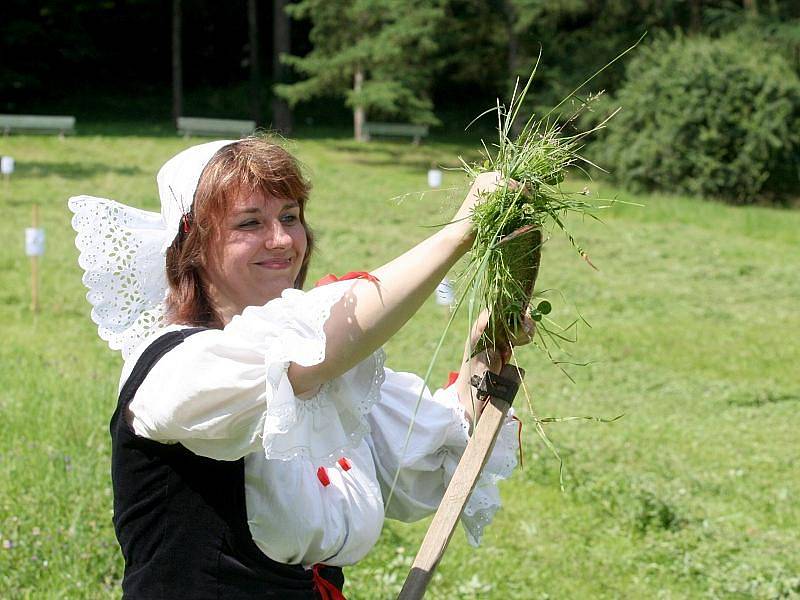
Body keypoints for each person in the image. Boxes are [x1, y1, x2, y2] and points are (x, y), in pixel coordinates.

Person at [69, 137, 527, 599]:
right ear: (194, 245)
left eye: (290, 217)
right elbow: (314, 351)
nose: (282, 240)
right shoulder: (179, 371)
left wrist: (484, 353)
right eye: (250, 223)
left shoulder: (330, 380)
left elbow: (433, 450)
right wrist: (458, 233)